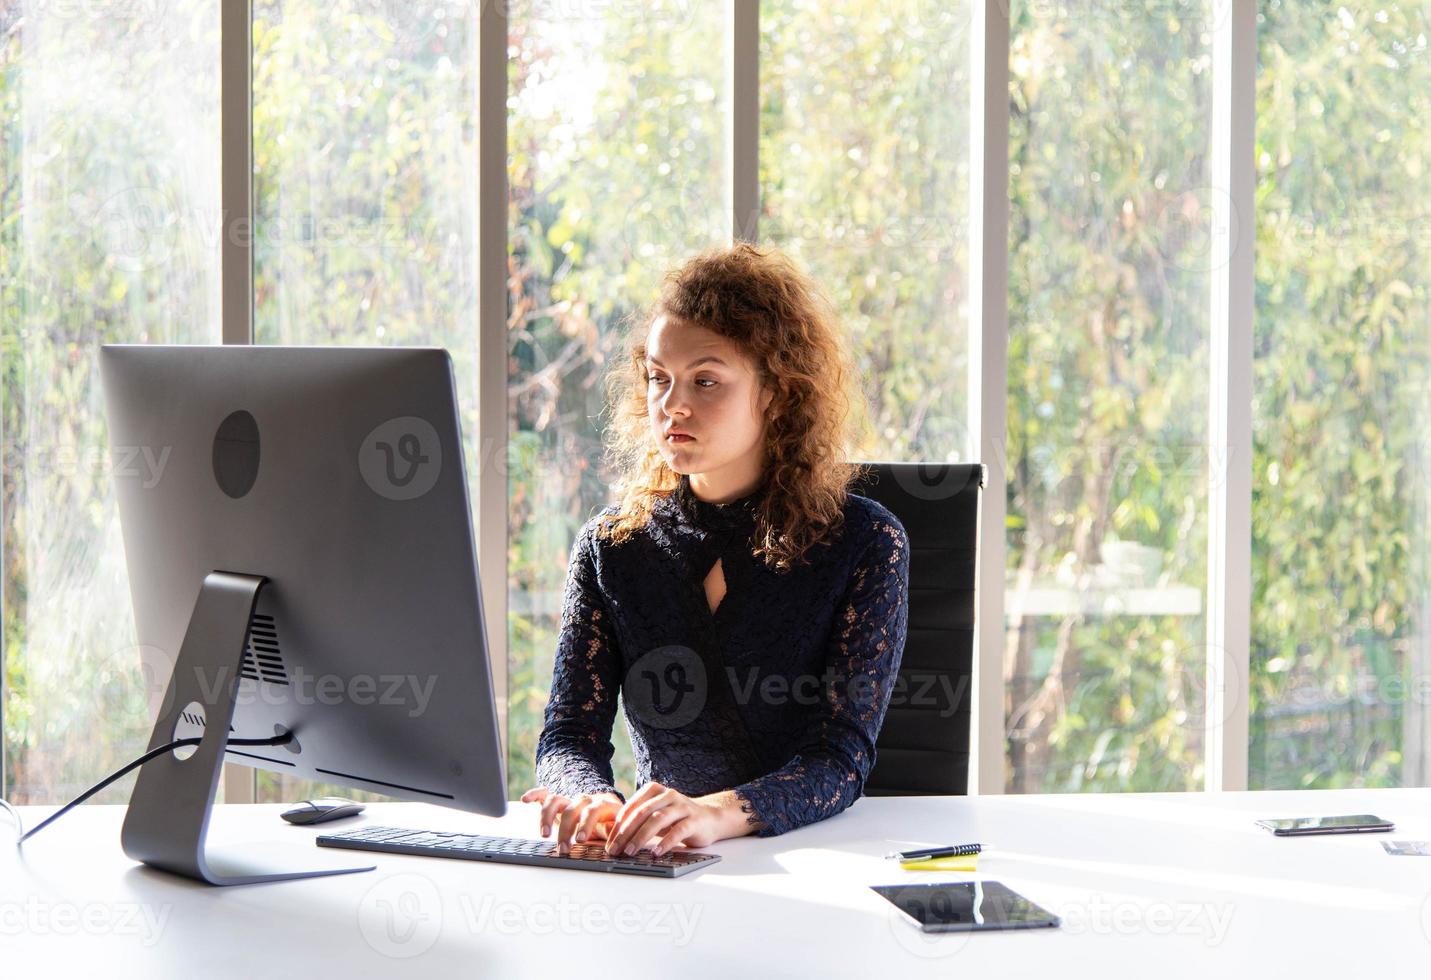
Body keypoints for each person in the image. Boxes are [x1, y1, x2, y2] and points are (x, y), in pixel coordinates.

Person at [521, 242, 910, 858]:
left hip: (819, 867)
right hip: (668, 865)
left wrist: (717, 814)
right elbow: (568, 735)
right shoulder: (612, 546)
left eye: (706, 380)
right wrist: (589, 796)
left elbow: (840, 757)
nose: (672, 404)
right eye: (658, 377)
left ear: (776, 393)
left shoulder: (864, 543)